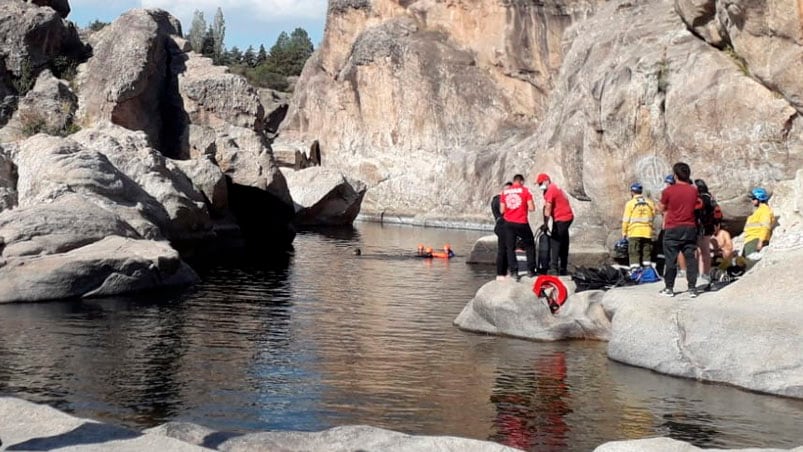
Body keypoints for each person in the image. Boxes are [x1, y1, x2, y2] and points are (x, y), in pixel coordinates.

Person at [657, 162, 700, 297]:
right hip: (690, 228)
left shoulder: (668, 191)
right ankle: (692, 288)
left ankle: (669, 288)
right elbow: (697, 205)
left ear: (675, 175)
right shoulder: (693, 190)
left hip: (673, 227)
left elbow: (661, 208)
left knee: (670, 259)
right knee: (690, 258)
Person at [500, 174, 537, 280]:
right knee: (530, 245)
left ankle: (514, 271)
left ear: (514, 180)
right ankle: (531, 270)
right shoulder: (525, 191)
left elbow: (502, 210)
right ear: (521, 181)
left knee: (510, 247)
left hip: (508, 223)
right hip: (521, 222)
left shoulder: (505, 192)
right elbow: (531, 208)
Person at [536, 173, 574, 276]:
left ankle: (553, 268)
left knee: (555, 242)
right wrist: (546, 222)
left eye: (541, 183)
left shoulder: (550, 189)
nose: (540, 186)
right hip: (567, 217)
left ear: (546, 181)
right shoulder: (555, 188)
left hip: (562, 218)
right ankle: (563, 267)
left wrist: (545, 224)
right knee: (564, 241)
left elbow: (548, 208)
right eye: (539, 184)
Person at [621, 182, 656, 271]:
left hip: (634, 232)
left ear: (632, 192)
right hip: (647, 232)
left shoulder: (630, 203)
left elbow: (626, 219)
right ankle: (647, 270)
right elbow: (653, 216)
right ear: (641, 191)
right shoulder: (649, 202)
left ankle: (635, 270)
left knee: (634, 252)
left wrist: (624, 232)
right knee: (646, 252)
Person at [742, 187, 774, 259]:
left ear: (759, 199)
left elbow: (765, 227)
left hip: (755, 240)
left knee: (749, 264)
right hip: (749, 241)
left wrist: (760, 241)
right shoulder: (757, 212)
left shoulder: (765, 210)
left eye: (753, 198)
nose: (752, 200)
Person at [694, 179, 717, 278]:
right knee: (704, 251)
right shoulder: (710, 197)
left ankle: (703, 273)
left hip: (701, 227)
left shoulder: (702, 198)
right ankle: (704, 273)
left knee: (702, 251)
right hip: (707, 227)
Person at [491, 182, 513, 280]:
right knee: (507, 250)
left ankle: (500, 273)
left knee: (502, 250)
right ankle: (505, 272)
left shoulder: (495, 200)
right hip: (505, 226)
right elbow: (503, 212)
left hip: (499, 226)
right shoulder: (501, 200)